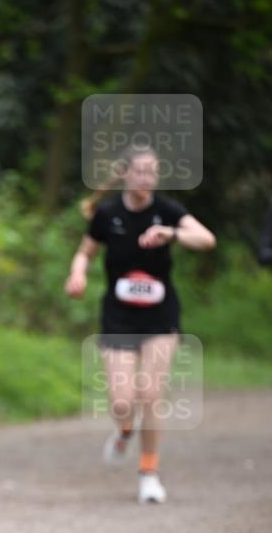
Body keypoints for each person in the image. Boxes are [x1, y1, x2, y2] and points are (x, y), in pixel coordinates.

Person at [65, 145, 216, 504]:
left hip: (160, 315)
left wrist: (172, 234)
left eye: (153, 172)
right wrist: (77, 273)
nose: (147, 179)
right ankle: (124, 430)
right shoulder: (107, 214)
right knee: (121, 402)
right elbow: (86, 251)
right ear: (126, 173)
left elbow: (207, 239)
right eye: (141, 171)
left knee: (150, 396)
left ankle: (148, 472)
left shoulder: (167, 211)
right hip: (118, 315)